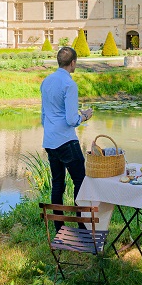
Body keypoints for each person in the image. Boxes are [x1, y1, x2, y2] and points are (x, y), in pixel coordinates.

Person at [41, 47, 93, 223]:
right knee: (80, 180)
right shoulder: (69, 84)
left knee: (57, 183)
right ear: (73, 63)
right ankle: (82, 226)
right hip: (66, 140)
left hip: (49, 139)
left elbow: (43, 115)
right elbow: (71, 120)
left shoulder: (46, 81)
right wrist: (85, 116)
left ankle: (59, 227)